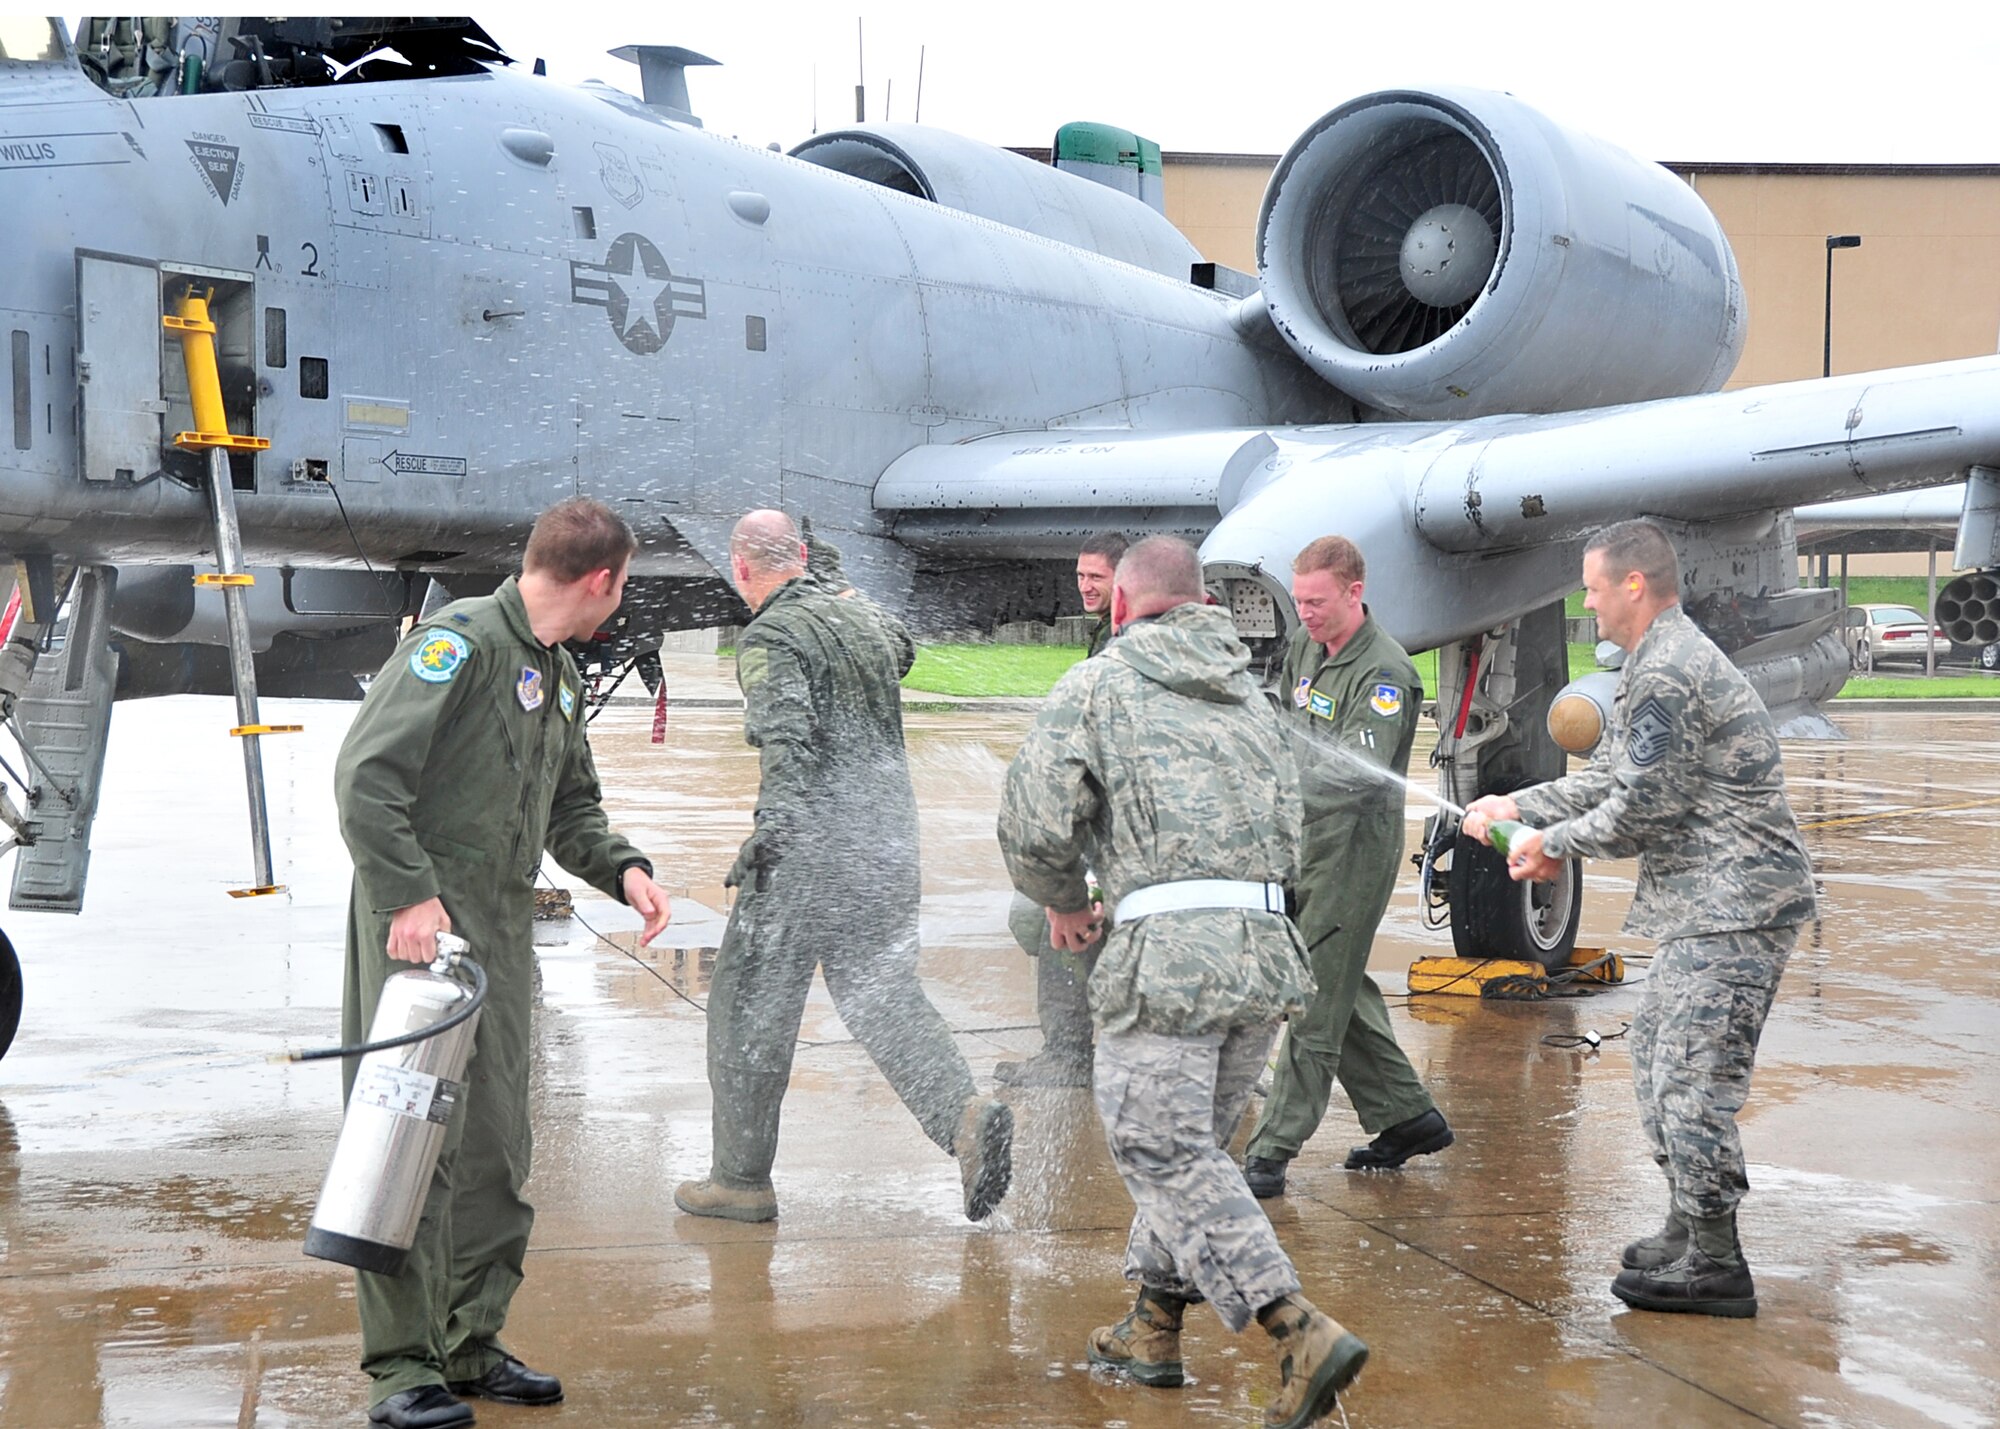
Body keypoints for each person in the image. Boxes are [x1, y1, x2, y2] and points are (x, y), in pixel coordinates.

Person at [999, 535, 1367, 1429]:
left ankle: (1298, 1328)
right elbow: (1298, 819)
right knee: (1193, 1150)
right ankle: (1153, 1324)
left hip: (1166, 964)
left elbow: (1034, 825)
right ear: (1202, 603)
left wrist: (1062, 901)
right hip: (1263, 957)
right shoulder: (1255, 692)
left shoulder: (1096, 685)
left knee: (1160, 1150)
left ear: (1121, 605)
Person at [336, 498, 673, 1429]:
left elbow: (572, 809)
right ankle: (401, 1366)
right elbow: (367, 773)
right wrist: (406, 893)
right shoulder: (461, 644)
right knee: (410, 1151)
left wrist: (625, 869)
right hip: (419, 937)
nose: (624, 596)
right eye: (627, 581)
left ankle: (470, 1340)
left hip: (500, 935)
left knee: (493, 1148)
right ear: (603, 580)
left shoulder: (557, 673)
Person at [1463, 519, 1815, 1318]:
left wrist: (1548, 846)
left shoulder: (1669, 670)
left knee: (1693, 1080)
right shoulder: (1649, 663)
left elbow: (1641, 807)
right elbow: (1610, 779)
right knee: (1659, 1054)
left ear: (1633, 585)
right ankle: (1686, 1225)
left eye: (1591, 587)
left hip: (1738, 905)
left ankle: (1719, 1263)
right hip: (1708, 905)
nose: (1585, 603)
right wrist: (1518, 804)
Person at [676, 510, 1013, 1224]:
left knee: (749, 1003)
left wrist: (769, 836)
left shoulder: (769, 636)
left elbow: (789, 745)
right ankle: (962, 1115)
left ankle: (739, 1179)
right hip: (886, 843)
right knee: (882, 991)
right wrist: (832, 575)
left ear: (740, 568)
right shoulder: (862, 622)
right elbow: (902, 646)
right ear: (803, 557)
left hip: (811, 848)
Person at [1241, 536, 1451, 1200]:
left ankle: (1271, 1148)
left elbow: (1350, 776)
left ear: (1354, 592)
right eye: (1299, 600)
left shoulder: (1386, 673)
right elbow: (1284, 724)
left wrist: (1276, 787)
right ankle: (1406, 1114)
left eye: (1318, 601)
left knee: (1312, 1000)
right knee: (1334, 984)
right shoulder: (1306, 647)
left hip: (1352, 853)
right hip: (1302, 843)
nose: (1305, 613)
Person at [995, 529, 1130, 1089]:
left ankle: (1070, 1054)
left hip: (1120, 831)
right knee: (1051, 915)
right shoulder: (1109, 636)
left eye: (1096, 577)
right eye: (1079, 576)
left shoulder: (1126, 642)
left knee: (1049, 914)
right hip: (1113, 826)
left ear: (1124, 581)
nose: (1084, 586)